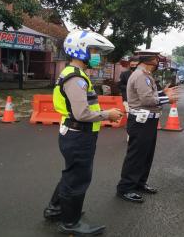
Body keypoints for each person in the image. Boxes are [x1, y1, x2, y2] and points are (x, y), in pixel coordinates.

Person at [43, 30, 123, 235]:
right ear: (81, 50)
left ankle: (56, 209)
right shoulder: (75, 78)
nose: (97, 55)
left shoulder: (75, 74)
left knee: (71, 174)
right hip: (78, 135)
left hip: (74, 133)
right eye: (94, 50)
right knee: (78, 178)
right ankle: (71, 223)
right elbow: (81, 113)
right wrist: (108, 114)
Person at [117, 52, 179, 203]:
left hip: (148, 121)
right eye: (157, 59)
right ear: (150, 60)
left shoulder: (146, 74)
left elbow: (150, 94)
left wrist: (163, 92)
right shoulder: (140, 76)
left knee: (146, 154)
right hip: (141, 121)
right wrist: (167, 98)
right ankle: (125, 188)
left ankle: (139, 183)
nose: (158, 62)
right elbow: (146, 99)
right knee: (136, 155)